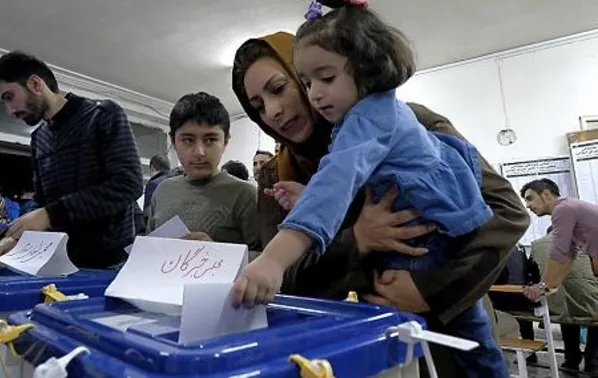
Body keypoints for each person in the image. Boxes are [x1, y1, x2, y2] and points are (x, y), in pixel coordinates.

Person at [230, 20, 527, 378]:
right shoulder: (274, 176)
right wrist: (356, 239)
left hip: (448, 327)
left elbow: (506, 213)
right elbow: (291, 283)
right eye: (258, 107)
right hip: (349, 348)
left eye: (280, 88)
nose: (274, 111)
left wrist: (429, 290)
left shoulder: (405, 118)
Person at [0, 51, 142, 268]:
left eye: (9, 97)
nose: (9, 110)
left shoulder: (102, 115)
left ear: (35, 83)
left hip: (111, 263)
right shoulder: (39, 138)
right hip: (59, 262)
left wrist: (50, 214)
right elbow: (41, 200)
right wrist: (17, 238)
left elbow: (127, 184)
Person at [148, 92, 260, 252]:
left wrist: (216, 253)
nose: (199, 152)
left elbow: (269, 261)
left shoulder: (246, 195)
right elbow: (147, 253)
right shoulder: (162, 192)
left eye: (210, 140)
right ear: (173, 141)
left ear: (225, 142)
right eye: (188, 140)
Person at [528, 227, 598, 375]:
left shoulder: (537, 245)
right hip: (589, 306)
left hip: (556, 306)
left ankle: (571, 359)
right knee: (589, 307)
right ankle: (593, 360)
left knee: (568, 307)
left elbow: (533, 277)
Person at [522, 179, 598, 300]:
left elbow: (558, 251)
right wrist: (549, 286)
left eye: (530, 198)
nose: (527, 205)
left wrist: (542, 287)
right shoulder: (570, 207)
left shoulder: (562, 209)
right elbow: (568, 255)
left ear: (546, 195)